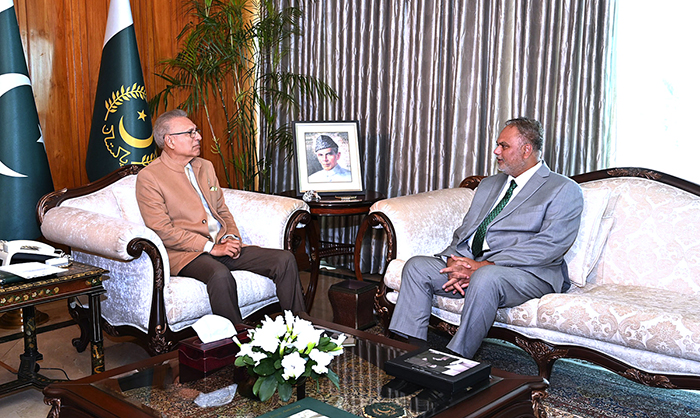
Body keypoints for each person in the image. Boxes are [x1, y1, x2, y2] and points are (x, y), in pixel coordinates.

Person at [389, 117, 583, 358]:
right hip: (477, 267)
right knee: (417, 266)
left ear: (526, 150)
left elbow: (550, 246)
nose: (496, 151)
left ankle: (456, 364)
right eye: (497, 145)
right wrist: (454, 261)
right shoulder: (490, 184)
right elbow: (466, 231)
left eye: (504, 146)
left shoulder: (563, 188)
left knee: (486, 277)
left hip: (528, 274)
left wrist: (482, 266)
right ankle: (410, 355)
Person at [135, 109, 306, 325]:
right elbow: (161, 229)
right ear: (169, 141)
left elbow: (222, 210)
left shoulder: (205, 166)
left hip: (221, 244)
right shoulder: (150, 177)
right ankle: (235, 344)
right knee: (220, 275)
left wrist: (231, 236)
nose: (198, 137)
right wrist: (210, 248)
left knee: (284, 260)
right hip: (187, 254)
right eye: (190, 133)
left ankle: (300, 329)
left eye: (196, 131)